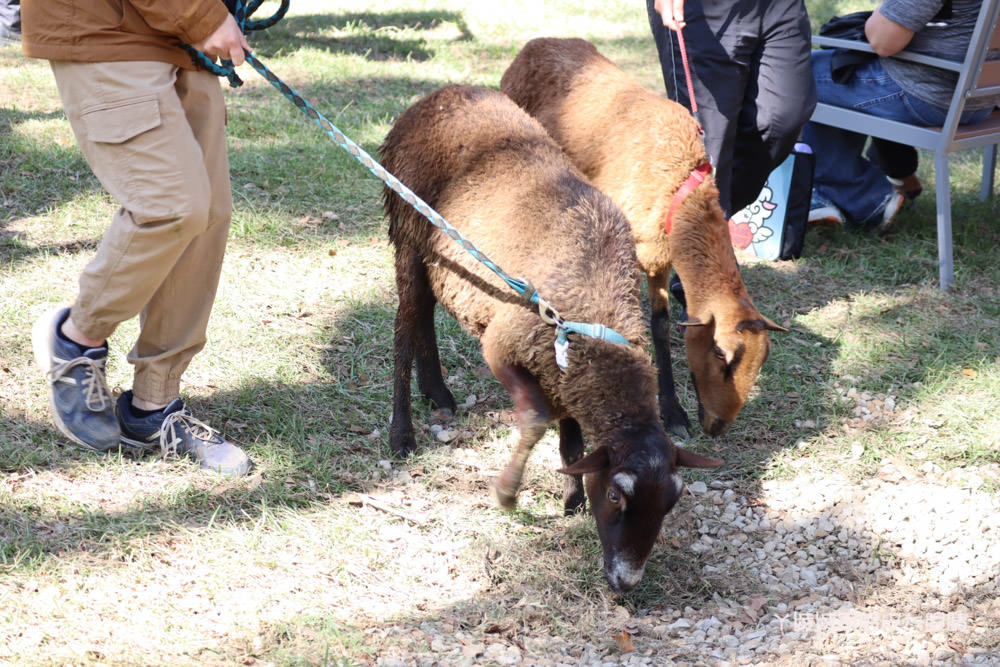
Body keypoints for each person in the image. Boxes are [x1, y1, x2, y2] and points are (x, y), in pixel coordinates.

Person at [22, 0, 253, 477]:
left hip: (177, 37)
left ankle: (153, 408)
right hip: (106, 26)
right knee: (172, 204)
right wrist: (202, 16)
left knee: (207, 216)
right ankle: (76, 338)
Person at [804, 0, 1000, 234]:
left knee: (804, 72)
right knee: (840, 69)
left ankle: (864, 197)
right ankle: (894, 173)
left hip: (931, 94)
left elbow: (882, 40)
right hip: (983, 97)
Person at [647, 0, 817, 218]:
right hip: (703, 10)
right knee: (709, 148)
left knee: (784, 116)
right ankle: (705, 232)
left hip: (779, 6)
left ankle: (708, 219)